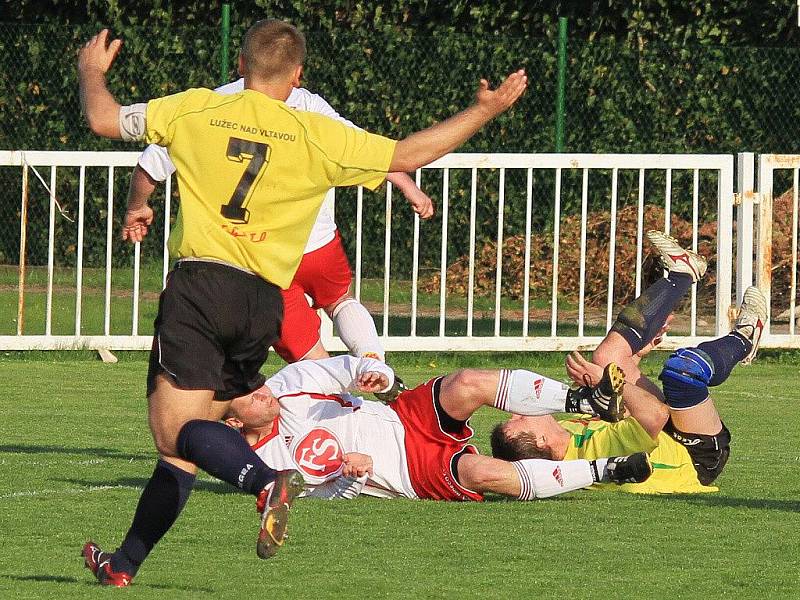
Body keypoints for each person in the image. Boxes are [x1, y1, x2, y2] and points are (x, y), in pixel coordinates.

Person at [77, 20, 527, 586]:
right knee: (191, 445)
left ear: (240, 65)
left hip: (201, 287)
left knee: (176, 434)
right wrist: (484, 110)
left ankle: (266, 481)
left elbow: (102, 116)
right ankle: (122, 565)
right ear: (297, 76)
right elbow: (411, 151)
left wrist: (91, 71)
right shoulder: (315, 133)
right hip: (262, 302)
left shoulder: (193, 109)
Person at [128, 79, 436, 364]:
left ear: (243, 64)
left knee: (306, 355)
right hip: (317, 244)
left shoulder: (212, 105)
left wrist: (136, 207)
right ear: (296, 73)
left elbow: (151, 164)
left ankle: (332, 390)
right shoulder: (310, 106)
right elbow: (361, 148)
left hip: (259, 256)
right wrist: (407, 185)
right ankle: (373, 362)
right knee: (340, 300)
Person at [490, 230, 768, 494]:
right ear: (541, 441)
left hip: (656, 430)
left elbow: (622, 413)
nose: (516, 411)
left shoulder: (567, 432)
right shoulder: (594, 452)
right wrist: (608, 379)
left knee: (606, 357)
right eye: (517, 420)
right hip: (693, 456)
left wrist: (630, 360)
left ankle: (683, 272)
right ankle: (745, 337)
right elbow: (655, 414)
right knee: (683, 372)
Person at [223, 354, 652, 503]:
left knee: (466, 382)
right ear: (235, 421)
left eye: (258, 386)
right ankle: (607, 469)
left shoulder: (289, 386)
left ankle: (584, 400)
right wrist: (355, 476)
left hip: (400, 416)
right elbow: (323, 494)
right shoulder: (262, 466)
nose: (264, 391)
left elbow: (347, 369)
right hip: (409, 470)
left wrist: (380, 377)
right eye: (252, 396)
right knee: (482, 474)